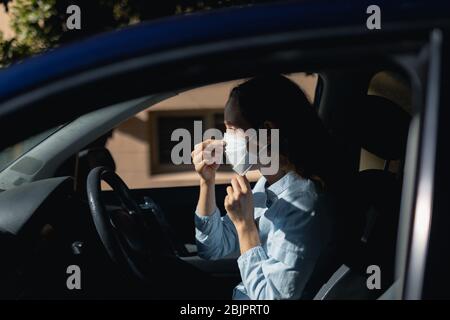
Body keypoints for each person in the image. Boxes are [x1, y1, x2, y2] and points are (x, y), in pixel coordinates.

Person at [191, 74, 335, 300]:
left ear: (267, 131)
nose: (225, 140)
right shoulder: (267, 184)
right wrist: (206, 181)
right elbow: (211, 249)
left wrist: (245, 226)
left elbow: (271, 299)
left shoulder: (304, 203)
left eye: (233, 129)